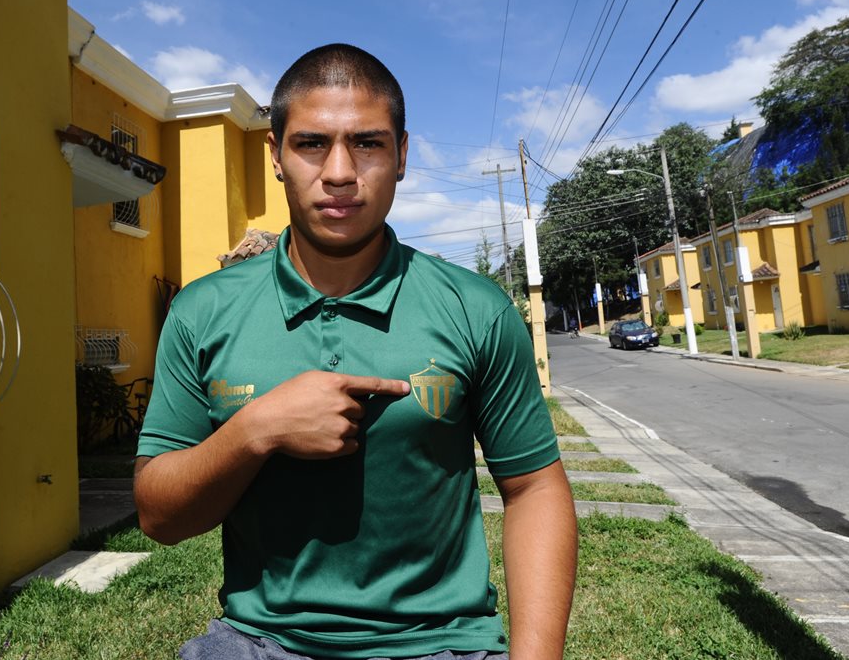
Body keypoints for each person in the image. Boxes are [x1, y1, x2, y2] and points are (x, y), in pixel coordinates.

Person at [134, 43, 577, 660]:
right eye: (312, 143)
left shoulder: (475, 308)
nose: (339, 171)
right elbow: (160, 516)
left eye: (367, 143)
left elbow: (534, 490)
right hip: (259, 643)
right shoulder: (201, 311)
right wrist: (256, 429)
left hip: (442, 645)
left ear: (401, 156)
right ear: (276, 157)